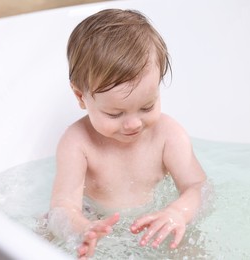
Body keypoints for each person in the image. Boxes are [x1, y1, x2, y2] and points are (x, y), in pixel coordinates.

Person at [49, 9, 207, 259]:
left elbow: (199, 188)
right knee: (45, 232)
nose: (133, 123)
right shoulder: (77, 143)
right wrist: (81, 229)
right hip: (96, 221)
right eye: (115, 114)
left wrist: (179, 212)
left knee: (193, 248)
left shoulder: (168, 135)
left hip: (159, 223)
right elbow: (62, 206)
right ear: (81, 97)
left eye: (147, 107)